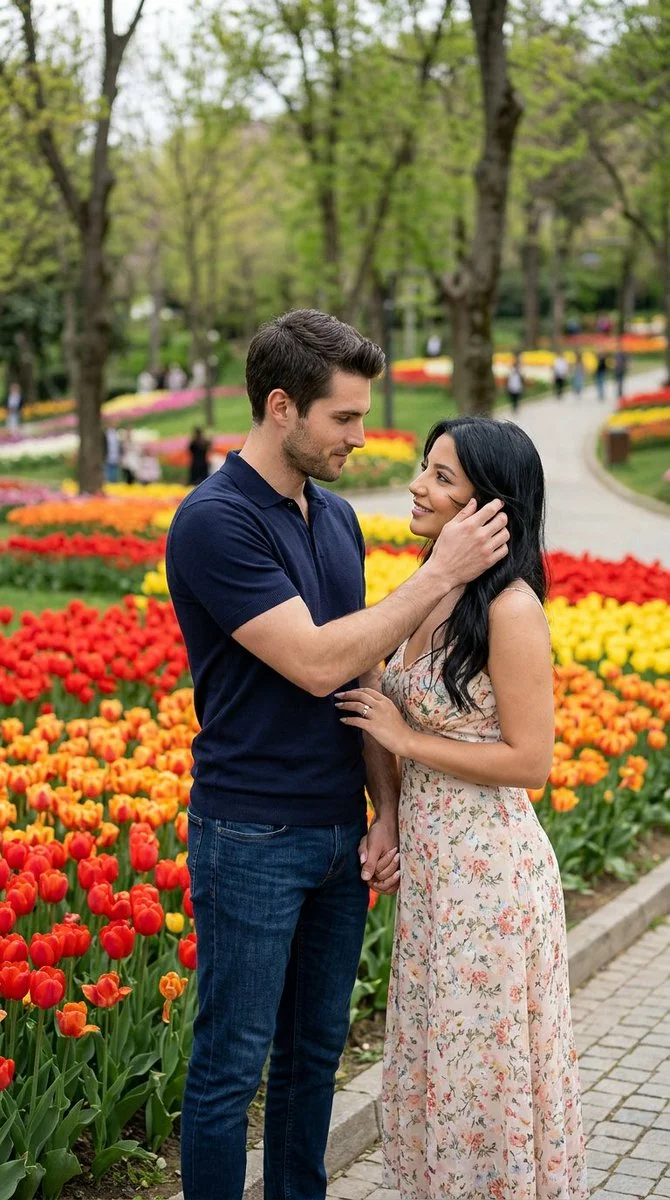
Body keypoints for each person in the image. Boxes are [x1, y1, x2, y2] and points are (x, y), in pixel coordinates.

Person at [165, 309, 510, 1200]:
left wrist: (385, 810)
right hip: (250, 833)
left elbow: (363, 684)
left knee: (313, 1057)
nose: (361, 436)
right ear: (282, 406)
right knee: (231, 1067)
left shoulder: (336, 519)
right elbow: (317, 662)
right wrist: (440, 572)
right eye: (344, 418)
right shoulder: (213, 521)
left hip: (339, 832)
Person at [336, 417, 588, 1200]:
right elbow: (379, 700)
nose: (418, 485)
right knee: (443, 1067)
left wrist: (406, 740)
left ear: (489, 507)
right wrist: (388, 813)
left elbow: (531, 762)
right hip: (436, 876)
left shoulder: (510, 609)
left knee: (483, 1073)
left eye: (442, 477)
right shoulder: (428, 589)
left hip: (492, 882)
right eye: (425, 468)